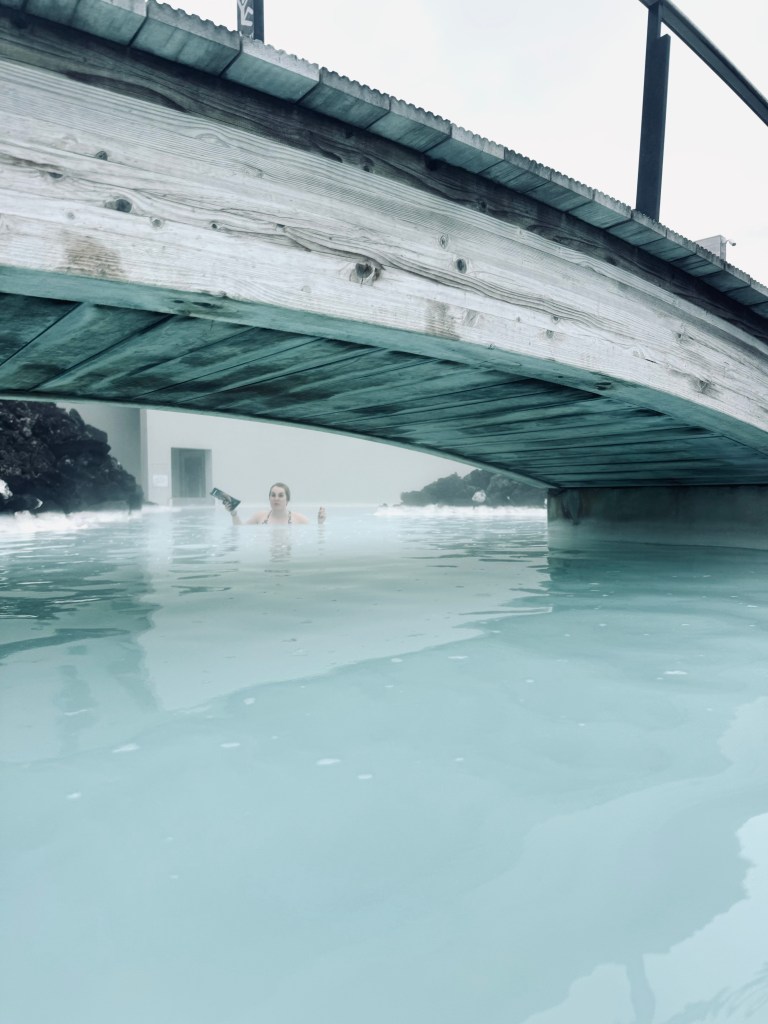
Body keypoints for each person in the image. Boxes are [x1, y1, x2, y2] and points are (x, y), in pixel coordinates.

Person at [224, 482, 326, 525]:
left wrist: (320, 523)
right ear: (269, 498)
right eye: (273, 495)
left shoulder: (299, 519)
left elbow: (315, 535)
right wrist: (233, 513)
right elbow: (240, 530)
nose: (276, 498)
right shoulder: (259, 517)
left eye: (281, 495)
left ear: (287, 500)